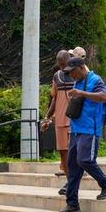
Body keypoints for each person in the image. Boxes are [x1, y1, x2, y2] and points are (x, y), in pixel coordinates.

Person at [59, 57, 106, 212]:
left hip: (90, 129)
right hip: (75, 129)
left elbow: (103, 97)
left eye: (72, 72)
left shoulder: (95, 80)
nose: (71, 75)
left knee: (84, 160)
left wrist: (81, 93)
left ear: (81, 67)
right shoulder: (77, 82)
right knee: (73, 167)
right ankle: (72, 204)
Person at [41, 50, 74, 178]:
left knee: (73, 152)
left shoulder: (77, 74)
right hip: (60, 119)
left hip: (74, 120)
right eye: (59, 64)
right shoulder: (57, 76)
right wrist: (47, 117)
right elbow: (55, 99)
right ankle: (70, 182)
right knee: (63, 153)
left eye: (63, 64)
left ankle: (73, 180)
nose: (61, 67)